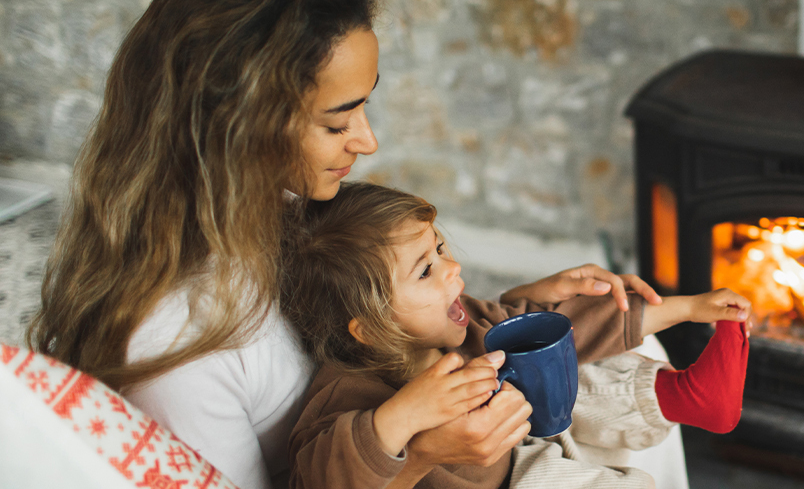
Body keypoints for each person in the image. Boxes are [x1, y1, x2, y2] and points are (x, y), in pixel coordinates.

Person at [24, 0, 659, 488]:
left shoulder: (283, 209)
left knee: (633, 341)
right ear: (240, 127)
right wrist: (419, 457)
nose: (367, 141)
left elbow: (380, 320)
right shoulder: (176, 345)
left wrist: (519, 302)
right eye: (336, 122)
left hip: (427, 434)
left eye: (363, 105)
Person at [279, 182, 752, 489]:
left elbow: (551, 320)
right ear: (368, 326)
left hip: (528, 447)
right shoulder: (343, 395)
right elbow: (322, 478)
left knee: (571, 358)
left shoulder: (459, 322)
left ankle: (682, 394)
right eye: (426, 270)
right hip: (516, 481)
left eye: (440, 249)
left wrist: (689, 307)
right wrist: (402, 417)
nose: (454, 267)